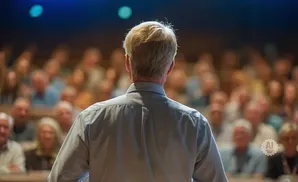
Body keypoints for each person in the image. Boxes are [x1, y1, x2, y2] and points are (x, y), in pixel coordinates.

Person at [49, 21, 227, 182]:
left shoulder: (91, 118)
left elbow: (61, 179)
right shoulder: (194, 123)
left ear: (127, 63)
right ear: (171, 67)